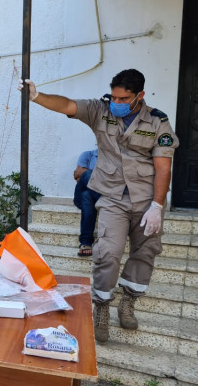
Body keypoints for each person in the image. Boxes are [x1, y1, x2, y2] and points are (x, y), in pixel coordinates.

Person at [19, 69, 179, 343]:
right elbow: (68, 105)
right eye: (114, 96)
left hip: (145, 199)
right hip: (112, 197)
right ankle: (102, 306)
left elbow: (164, 166)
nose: (116, 102)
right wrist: (37, 96)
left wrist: (157, 205)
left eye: (123, 98)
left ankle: (128, 303)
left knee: (145, 254)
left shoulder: (157, 121)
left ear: (139, 95)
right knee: (107, 252)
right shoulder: (100, 110)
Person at [74, 148, 100, 256]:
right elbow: (78, 176)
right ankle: (103, 199)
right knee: (88, 174)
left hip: (89, 198)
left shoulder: (115, 157)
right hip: (79, 197)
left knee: (87, 195)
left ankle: (86, 242)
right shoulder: (88, 155)